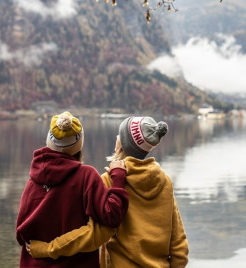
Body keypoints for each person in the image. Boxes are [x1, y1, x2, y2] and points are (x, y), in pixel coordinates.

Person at [28, 116, 189, 268]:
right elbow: (179, 248)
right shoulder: (164, 181)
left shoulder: (110, 180)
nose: (116, 137)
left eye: (120, 135)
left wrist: (48, 249)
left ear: (125, 144)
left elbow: (92, 235)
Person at [15, 111, 129, 268]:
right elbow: (112, 216)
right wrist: (118, 177)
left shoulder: (33, 181)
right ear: (78, 146)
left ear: (50, 141)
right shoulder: (86, 176)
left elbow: (21, 235)